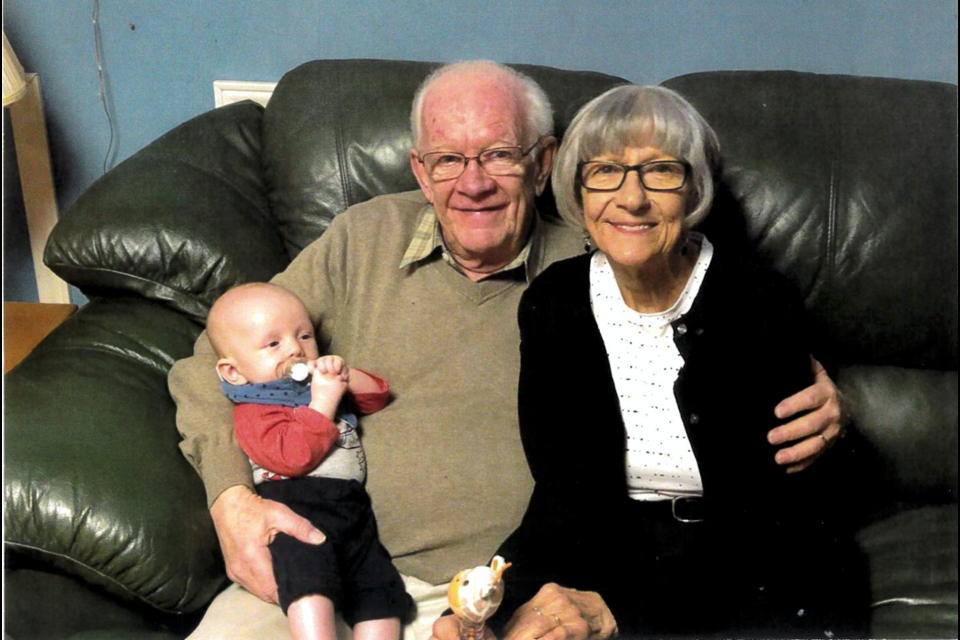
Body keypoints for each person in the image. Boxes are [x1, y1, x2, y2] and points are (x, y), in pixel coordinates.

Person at [168, 61, 849, 640]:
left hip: (501, 591)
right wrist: (231, 498)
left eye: (498, 153)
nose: (473, 182)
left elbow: (717, 346)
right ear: (418, 169)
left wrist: (816, 384)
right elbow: (213, 361)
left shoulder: (599, 255)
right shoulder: (361, 239)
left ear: (544, 163)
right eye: (446, 159)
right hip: (324, 564)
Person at [466, 84, 868, 639]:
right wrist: (485, 606)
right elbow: (562, 498)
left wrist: (621, 611)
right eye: (604, 171)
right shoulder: (553, 305)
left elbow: (776, 523)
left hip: (754, 575)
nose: (631, 199)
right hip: (617, 558)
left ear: (695, 189)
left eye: (660, 171)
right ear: (578, 190)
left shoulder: (759, 301)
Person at [206, 282, 412, 640]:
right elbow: (293, 457)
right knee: (308, 583)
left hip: (352, 510)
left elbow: (378, 395)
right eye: (274, 344)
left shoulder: (321, 385)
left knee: (378, 588)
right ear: (234, 373)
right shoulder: (255, 408)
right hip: (297, 509)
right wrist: (323, 403)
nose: (295, 350)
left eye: (304, 336)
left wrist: (343, 376)